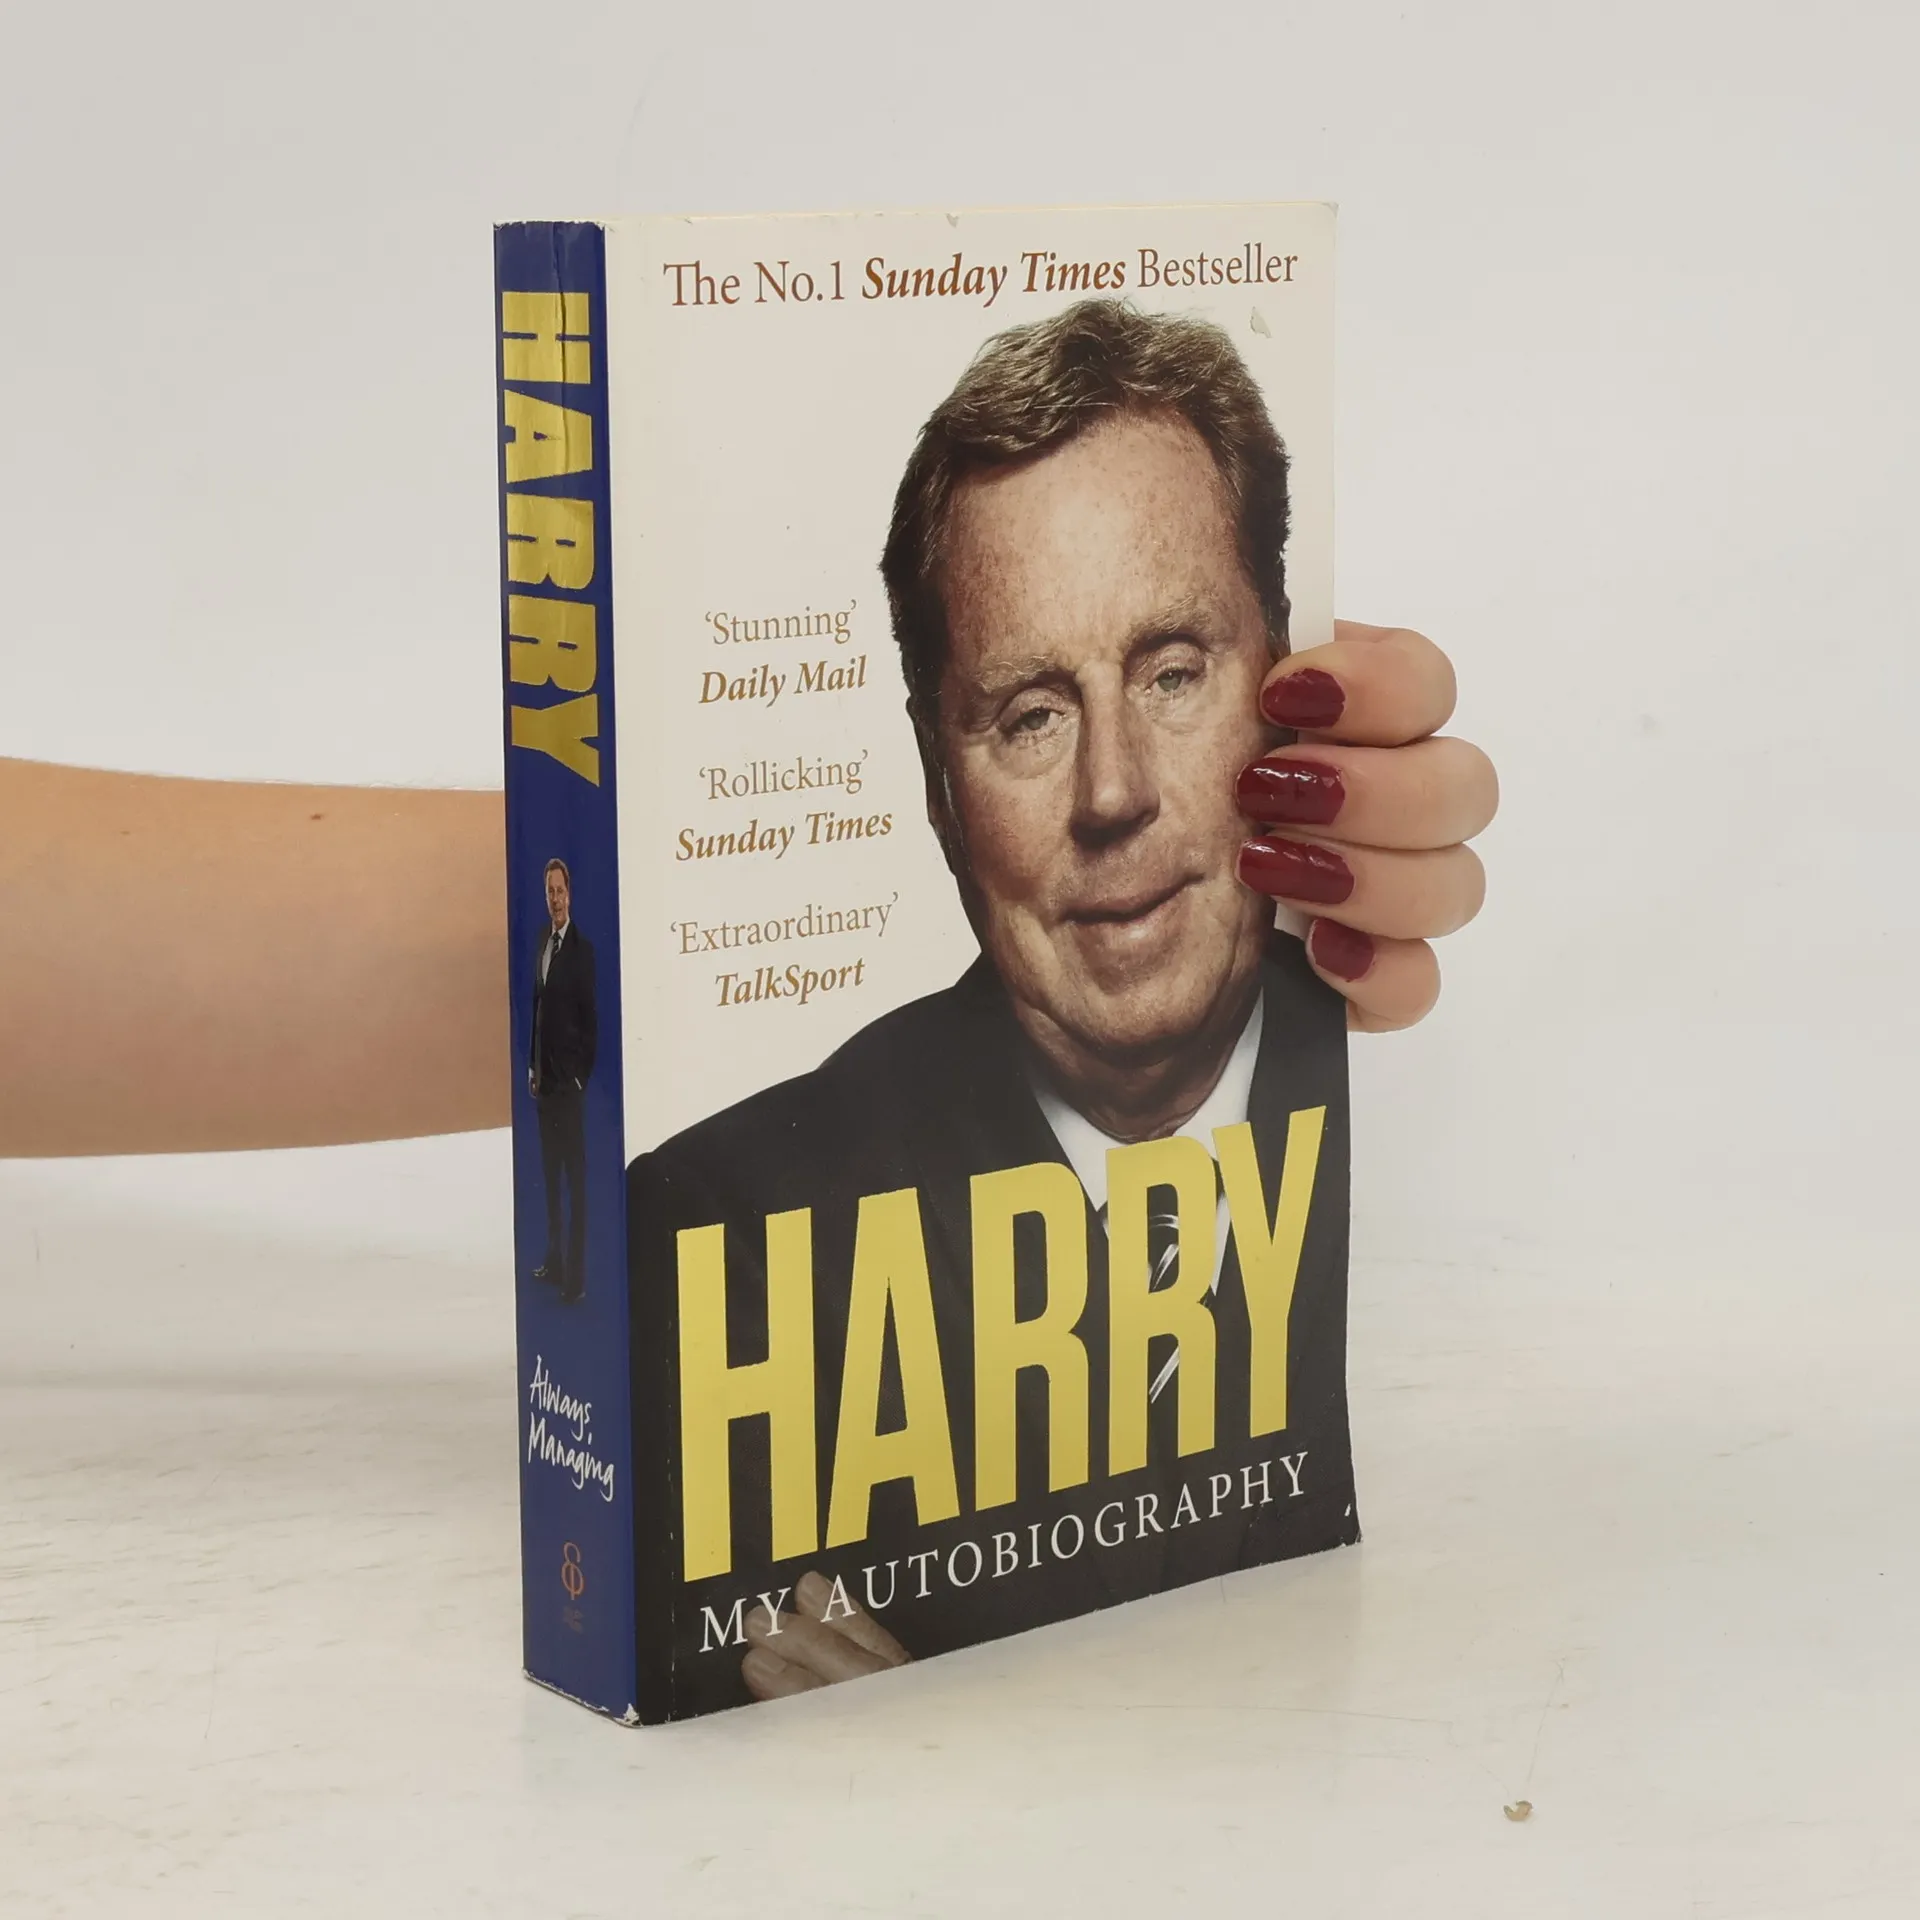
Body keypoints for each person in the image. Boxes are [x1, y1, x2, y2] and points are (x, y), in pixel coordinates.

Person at [628, 302, 1497, 1710]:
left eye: (1174, 674)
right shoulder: (714, 1236)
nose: (1111, 791)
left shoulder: (1331, 1063)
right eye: (1030, 714)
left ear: (1286, 683)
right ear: (938, 783)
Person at [527, 856, 596, 1301]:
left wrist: (579, 1079)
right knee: (551, 1179)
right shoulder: (542, 942)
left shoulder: (581, 951)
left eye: (560, 891)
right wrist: (533, 1066)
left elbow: (590, 1022)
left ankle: (576, 1277)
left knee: (576, 1183)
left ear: (570, 894)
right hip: (545, 1087)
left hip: (569, 1088)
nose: (555, 899)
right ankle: (554, 1261)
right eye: (550, 892)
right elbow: (537, 1009)